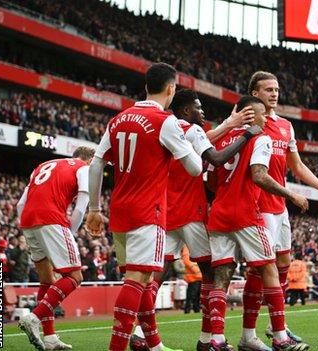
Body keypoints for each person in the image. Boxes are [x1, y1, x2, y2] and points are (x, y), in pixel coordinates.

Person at [86, 63, 207, 351]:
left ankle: (154, 344)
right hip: (148, 212)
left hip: (119, 210)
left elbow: (96, 163)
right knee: (137, 282)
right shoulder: (166, 121)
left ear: (145, 87)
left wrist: (93, 208)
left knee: (139, 280)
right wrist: (187, 143)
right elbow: (194, 168)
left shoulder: (118, 119)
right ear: (171, 89)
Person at [129, 89, 259, 351]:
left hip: (166, 212)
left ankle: (139, 333)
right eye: (199, 108)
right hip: (191, 213)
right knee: (214, 271)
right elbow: (217, 158)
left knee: (157, 276)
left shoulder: (165, 128)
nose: (203, 112)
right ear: (187, 111)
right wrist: (247, 134)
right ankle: (207, 339)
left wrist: (227, 126)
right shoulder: (192, 129)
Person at [241, 71, 318, 349]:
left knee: (283, 264)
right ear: (255, 93)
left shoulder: (285, 126)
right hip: (257, 205)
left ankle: (276, 327)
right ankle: (251, 334)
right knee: (260, 270)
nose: (274, 93)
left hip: (279, 208)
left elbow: (296, 166)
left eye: (276, 88)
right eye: (268, 89)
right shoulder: (247, 122)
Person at [205, 95, 310, 351]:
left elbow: (210, 182)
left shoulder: (221, 138)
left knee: (221, 277)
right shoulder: (260, 138)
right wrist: (291, 194)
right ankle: (280, 336)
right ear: (251, 115)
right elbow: (260, 176)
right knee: (269, 269)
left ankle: (216, 339)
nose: (267, 119)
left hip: (219, 214)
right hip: (246, 215)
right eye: (263, 114)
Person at [16, 146, 95, 350]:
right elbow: (83, 201)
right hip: (52, 219)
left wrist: (27, 225)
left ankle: (50, 338)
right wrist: (72, 231)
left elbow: (20, 204)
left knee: (47, 280)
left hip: (28, 220)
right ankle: (34, 317)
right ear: (89, 159)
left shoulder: (42, 165)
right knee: (74, 276)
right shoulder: (83, 167)